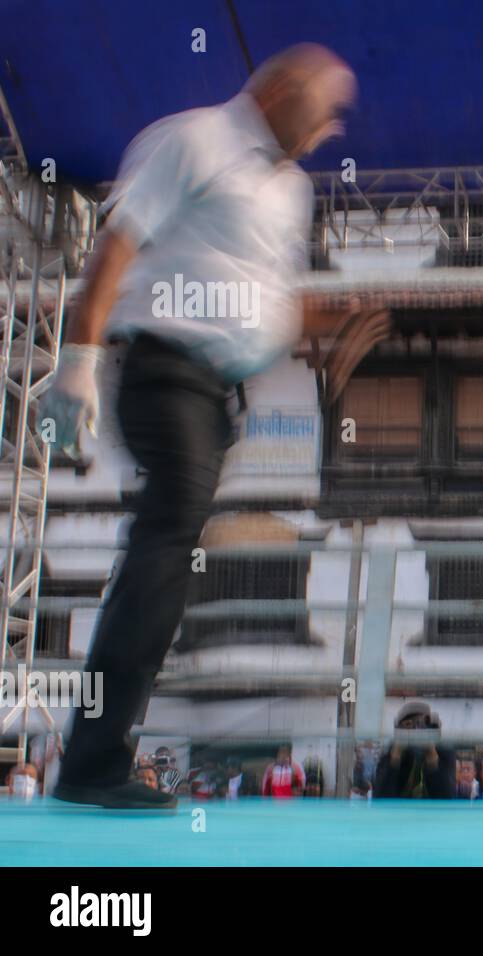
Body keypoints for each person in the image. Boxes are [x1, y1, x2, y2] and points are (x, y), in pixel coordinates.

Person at [44, 44, 383, 810]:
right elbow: (118, 245)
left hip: (217, 396)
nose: (333, 126)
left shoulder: (290, 192)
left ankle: (100, 751)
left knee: (167, 549)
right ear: (282, 90)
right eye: (327, 105)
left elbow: (261, 299)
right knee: (164, 548)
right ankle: (94, 762)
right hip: (163, 372)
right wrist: (76, 357)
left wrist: (331, 316)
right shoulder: (195, 139)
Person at [372, 702, 456, 799]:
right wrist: (395, 757)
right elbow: (380, 797)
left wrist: (432, 757)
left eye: (422, 724)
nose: (416, 730)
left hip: (432, 812)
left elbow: (447, 798)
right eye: (409, 725)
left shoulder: (443, 751)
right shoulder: (391, 751)